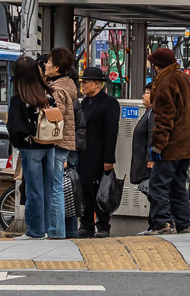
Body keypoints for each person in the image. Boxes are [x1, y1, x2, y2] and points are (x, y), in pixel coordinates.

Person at [144, 47, 190, 235]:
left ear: (157, 65)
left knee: (158, 184)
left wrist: (158, 145)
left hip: (171, 144)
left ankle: (162, 223)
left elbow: (164, 118)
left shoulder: (166, 82)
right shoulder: (187, 79)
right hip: (187, 144)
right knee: (178, 184)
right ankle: (184, 223)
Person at [6, 54, 60, 240]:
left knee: (33, 191)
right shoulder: (47, 95)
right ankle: (45, 228)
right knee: (47, 190)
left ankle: (34, 230)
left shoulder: (20, 99)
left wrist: (19, 143)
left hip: (30, 148)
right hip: (49, 146)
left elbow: (14, 129)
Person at [76, 66, 120, 239]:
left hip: (100, 155)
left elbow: (111, 132)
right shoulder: (84, 102)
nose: (83, 85)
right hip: (84, 155)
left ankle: (103, 225)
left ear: (97, 84)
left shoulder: (109, 103)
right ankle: (86, 225)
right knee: (84, 190)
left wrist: (109, 158)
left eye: (85, 82)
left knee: (101, 192)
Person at [44, 47, 80, 239]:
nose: (45, 65)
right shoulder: (68, 86)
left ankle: (56, 231)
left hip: (56, 143)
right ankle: (62, 230)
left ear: (56, 68)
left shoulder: (57, 91)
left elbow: (53, 119)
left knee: (55, 187)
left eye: (48, 63)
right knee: (58, 186)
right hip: (64, 143)